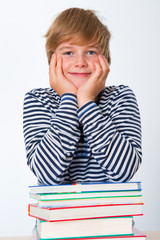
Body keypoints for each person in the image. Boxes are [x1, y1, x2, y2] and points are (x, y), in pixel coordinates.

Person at [23, 7, 142, 186]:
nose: (80, 62)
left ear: (105, 58)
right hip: (59, 214)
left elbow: (123, 172)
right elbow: (47, 174)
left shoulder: (120, 97)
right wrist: (69, 98)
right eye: (68, 52)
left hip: (109, 213)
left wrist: (86, 101)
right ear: (52, 60)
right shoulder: (38, 100)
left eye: (91, 52)